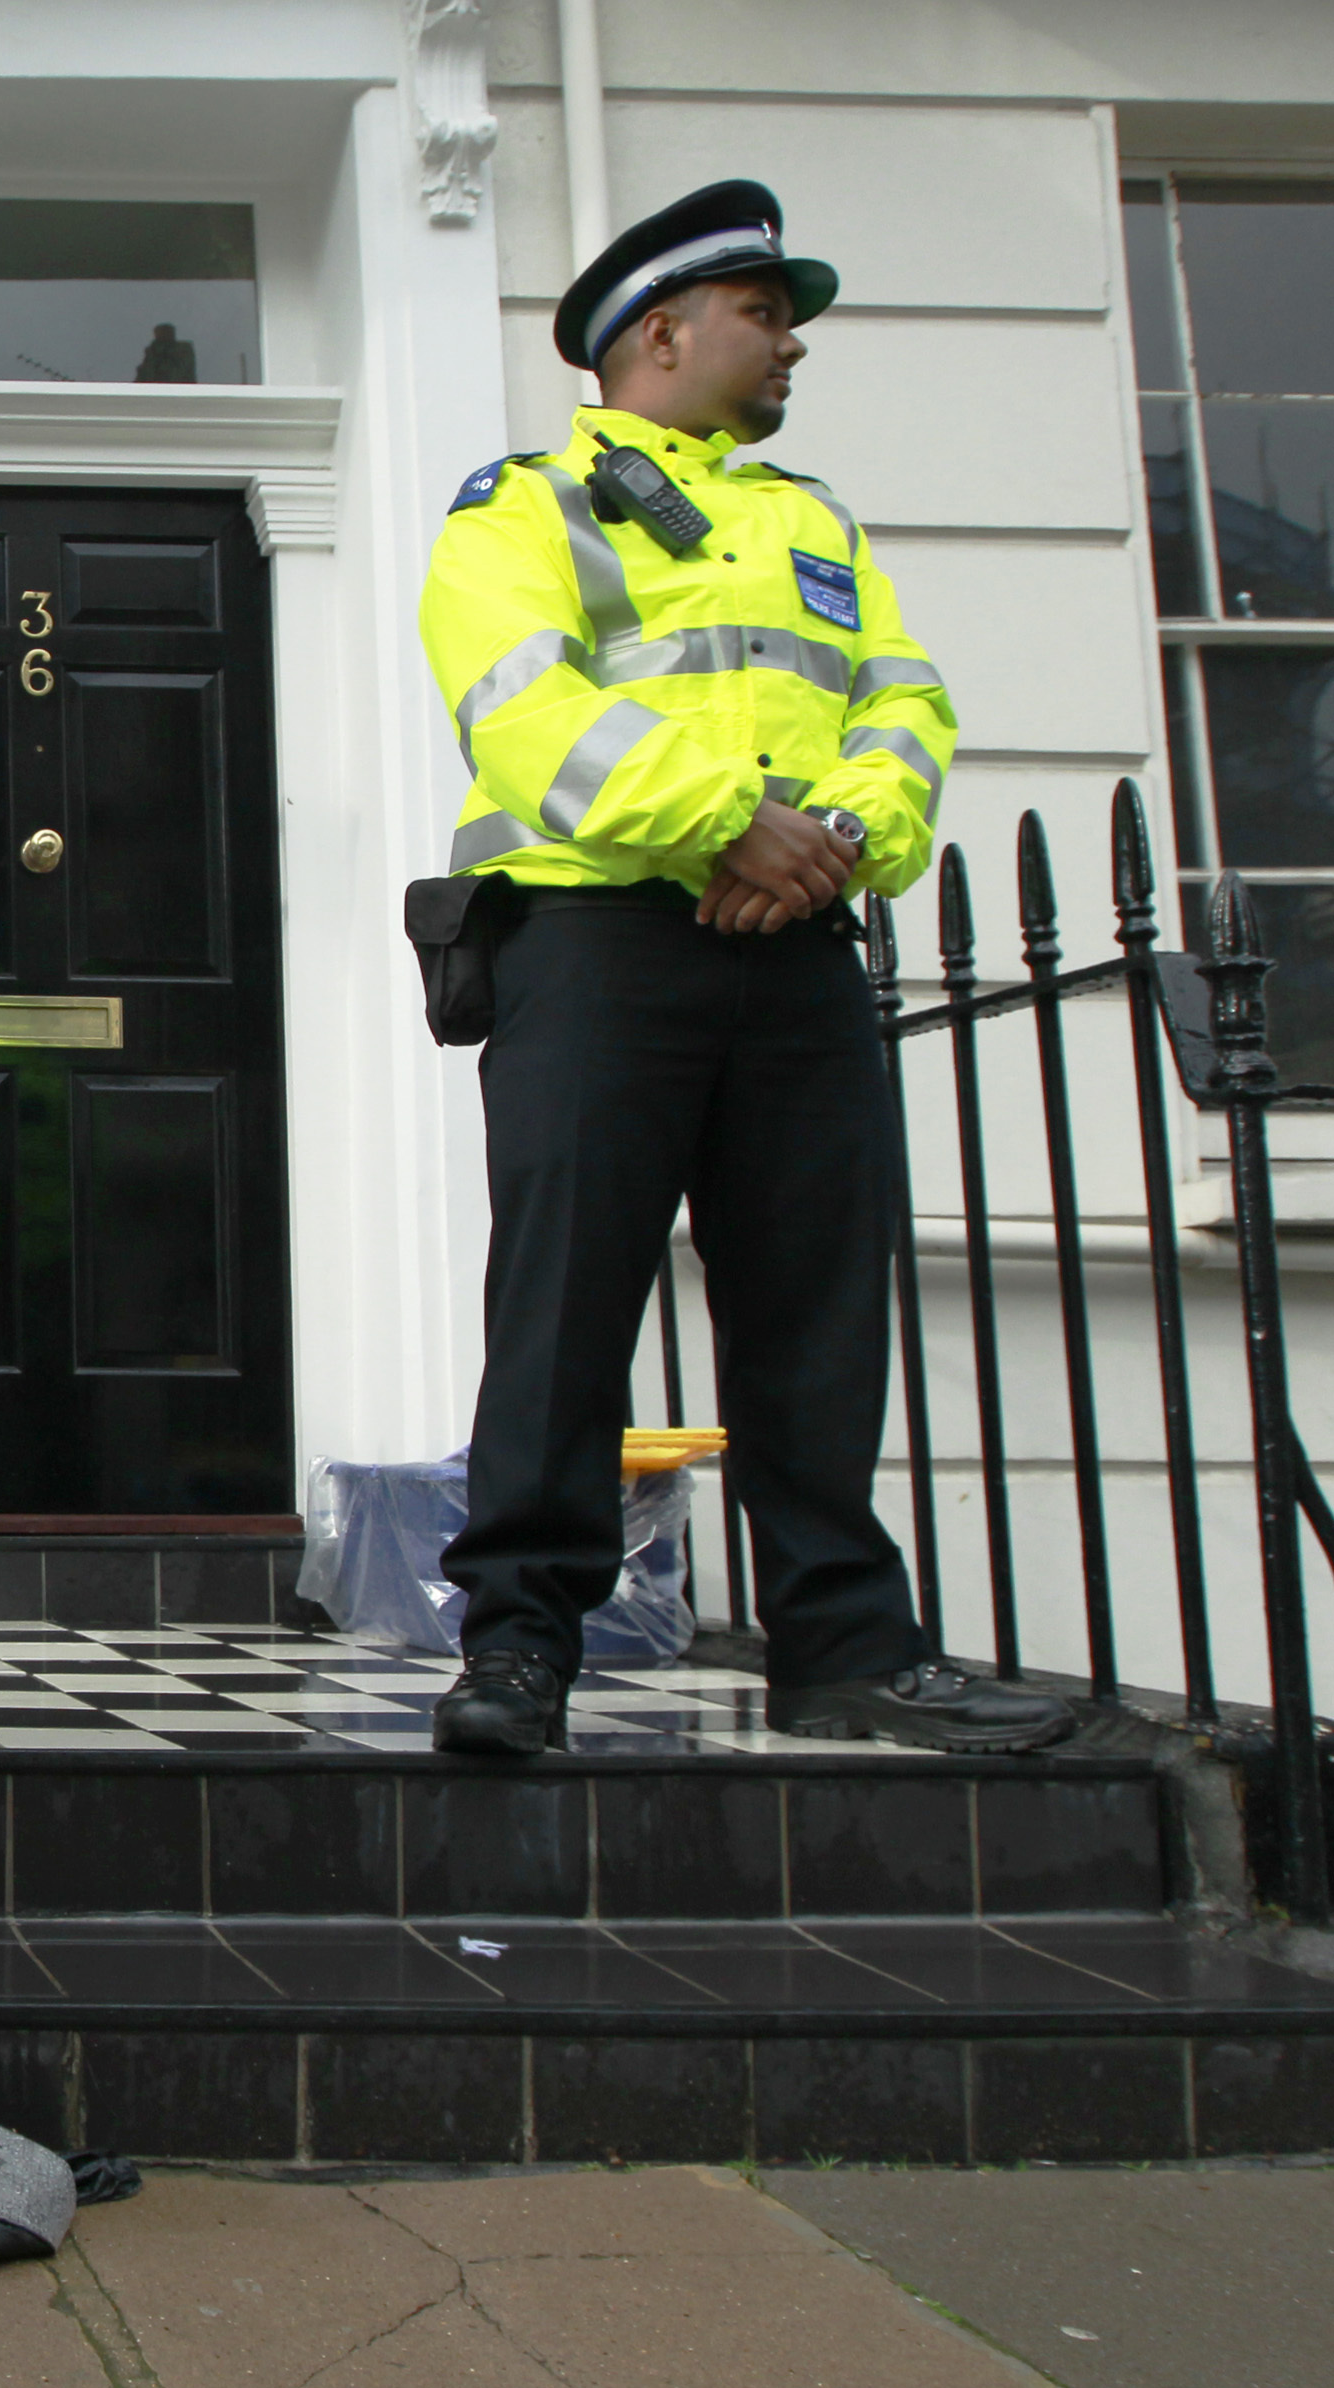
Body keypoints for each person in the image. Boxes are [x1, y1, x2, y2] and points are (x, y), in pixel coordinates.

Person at [416, 178, 1075, 1757]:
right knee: (566, 1301)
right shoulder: (522, 501)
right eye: (767, 315)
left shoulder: (817, 521)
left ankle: (846, 1645)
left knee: (815, 1302)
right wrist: (729, 826)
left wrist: (831, 840)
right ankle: (518, 1650)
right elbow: (518, 707)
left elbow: (906, 707)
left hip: (795, 944)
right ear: (662, 330)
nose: (792, 347)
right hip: (594, 940)